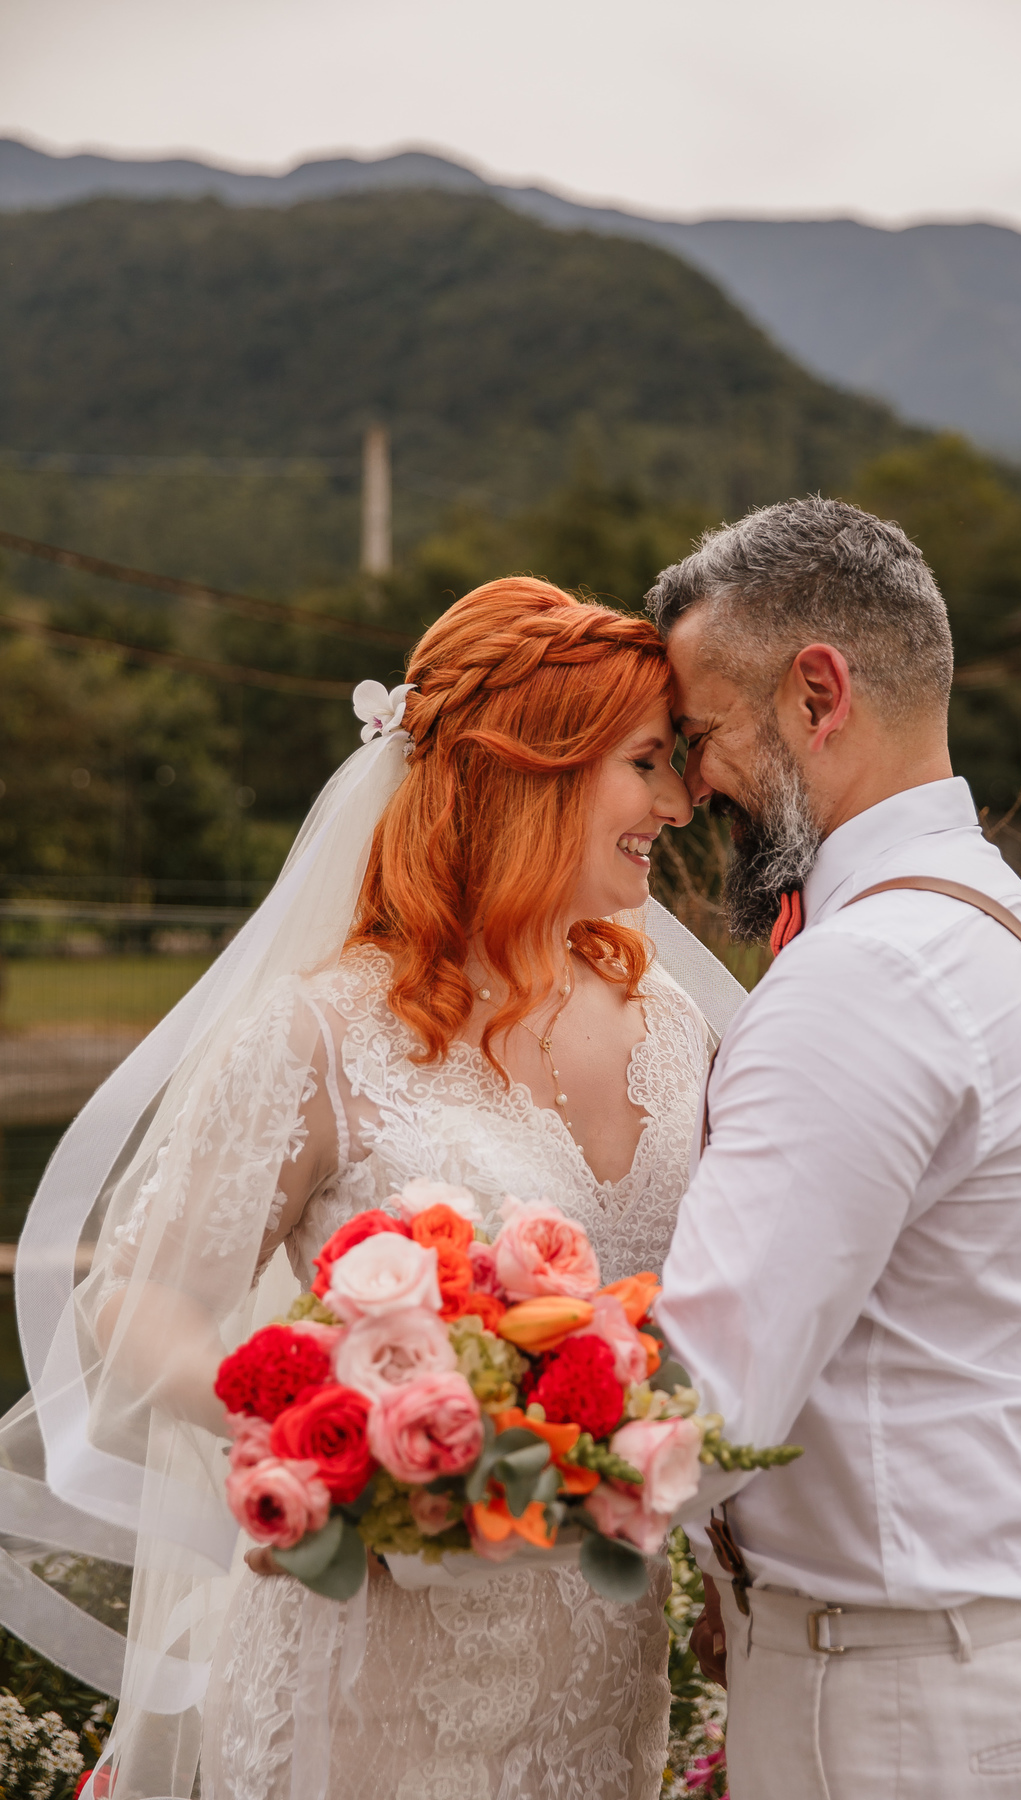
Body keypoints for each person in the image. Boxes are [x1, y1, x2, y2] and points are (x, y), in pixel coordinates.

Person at [1, 578, 747, 1800]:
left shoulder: (677, 1030)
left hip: (600, 1672)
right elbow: (135, 1307)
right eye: (646, 764)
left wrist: (722, 1566)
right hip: (368, 1678)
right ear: (529, 771)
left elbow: (713, 1337)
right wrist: (335, 1448)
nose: (676, 804)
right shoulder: (322, 1037)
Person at [650, 499, 1021, 1799]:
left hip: (910, 1711)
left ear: (817, 692)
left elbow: (702, 1416)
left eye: (702, 733)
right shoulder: (995, 912)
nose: (689, 784)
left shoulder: (861, 979)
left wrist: (413, 1449)